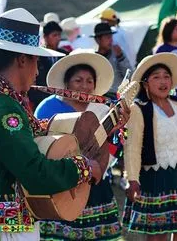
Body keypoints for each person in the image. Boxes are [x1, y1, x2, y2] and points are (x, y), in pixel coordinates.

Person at [0, 8, 109, 240]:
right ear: (22, 60)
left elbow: (27, 140)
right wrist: (85, 167)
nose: (38, 71)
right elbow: (35, 172)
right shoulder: (4, 109)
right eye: (36, 62)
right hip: (6, 227)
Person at [35, 50, 123, 240]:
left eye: (89, 81)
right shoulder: (47, 108)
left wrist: (120, 128)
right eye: (78, 80)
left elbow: (112, 147)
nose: (84, 86)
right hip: (60, 188)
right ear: (66, 83)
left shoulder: (102, 109)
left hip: (95, 185)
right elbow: (41, 149)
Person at [122, 53, 177, 241]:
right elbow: (132, 146)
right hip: (155, 178)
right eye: (156, 77)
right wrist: (132, 179)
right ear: (145, 84)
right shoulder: (139, 109)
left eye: (166, 76)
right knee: (158, 234)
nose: (163, 81)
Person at [28, 21, 68, 109]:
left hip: (62, 100)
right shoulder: (37, 56)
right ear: (45, 37)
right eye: (54, 35)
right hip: (39, 100)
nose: (58, 38)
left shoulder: (65, 55)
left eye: (59, 35)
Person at [93, 22, 132, 100]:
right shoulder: (93, 58)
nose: (111, 40)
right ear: (98, 40)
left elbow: (129, 75)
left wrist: (121, 57)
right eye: (107, 37)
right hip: (100, 97)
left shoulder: (118, 52)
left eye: (111, 37)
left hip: (118, 96)